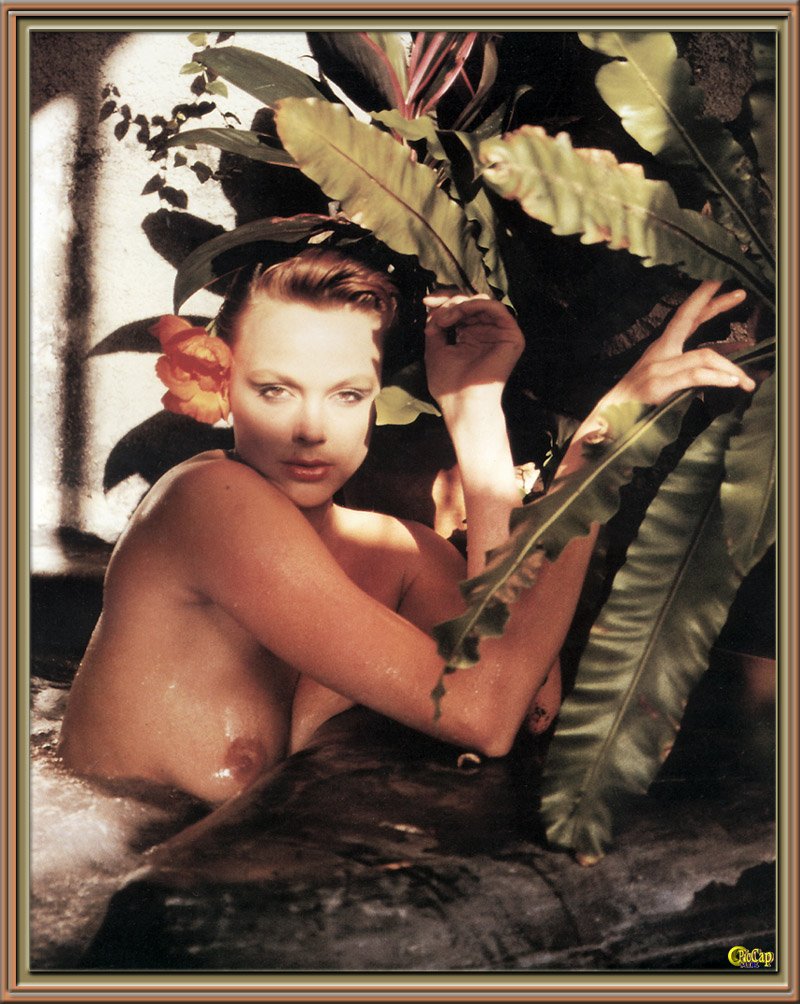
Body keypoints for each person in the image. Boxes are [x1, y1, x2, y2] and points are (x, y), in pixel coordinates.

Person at [57, 249, 754, 806]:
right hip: (98, 871)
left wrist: (475, 414)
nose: (310, 428)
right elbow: (483, 714)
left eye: (346, 394)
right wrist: (599, 443)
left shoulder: (400, 555)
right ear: (226, 390)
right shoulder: (207, 502)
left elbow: (525, 703)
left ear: (374, 399)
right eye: (275, 390)